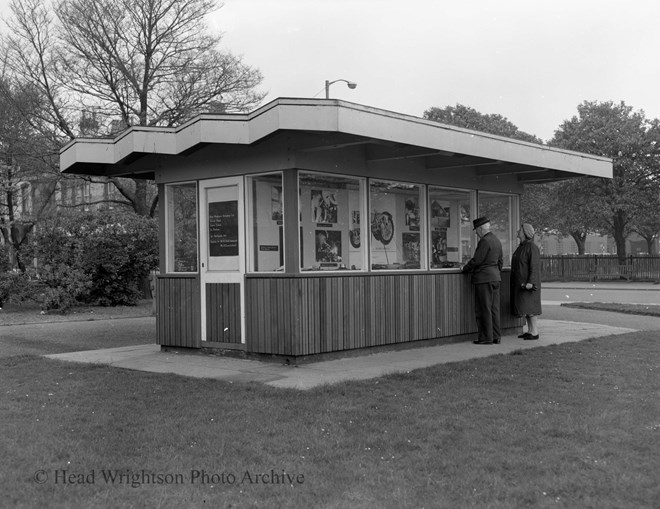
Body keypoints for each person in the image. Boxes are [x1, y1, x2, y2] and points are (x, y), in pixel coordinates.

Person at [461, 217, 503, 345]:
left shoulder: (484, 241)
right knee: (494, 308)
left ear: (480, 229)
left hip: (484, 279)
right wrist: (495, 272)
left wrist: (465, 269)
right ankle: (496, 336)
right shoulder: (496, 240)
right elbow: (500, 262)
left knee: (484, 308)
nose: (475, 233)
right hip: (495, 277)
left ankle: (486, 338)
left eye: (476, 230)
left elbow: (477, 260)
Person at [510, 223, 542, 340]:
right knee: (526, 308)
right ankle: (530, 331)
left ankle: (534, 332)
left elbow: (534, 267)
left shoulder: (531, 247)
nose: (518, 231)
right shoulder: (522, 247)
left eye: (520, 230)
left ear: (525, 232)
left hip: (528, 284)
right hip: (522, 283)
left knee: (531, 308)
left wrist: (531, 282)